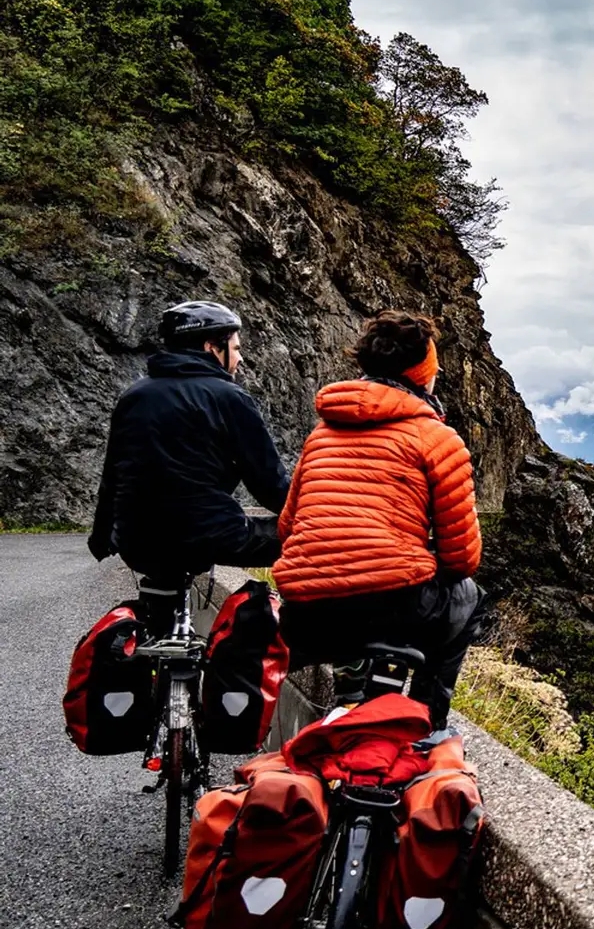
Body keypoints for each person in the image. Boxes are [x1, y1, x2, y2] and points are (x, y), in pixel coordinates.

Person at [273, 312, 481, 729]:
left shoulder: (321, 435)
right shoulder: (436, 439)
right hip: (393, 610)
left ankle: (352, 696)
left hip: (306, 619)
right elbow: (461, 558)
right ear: (422, 374)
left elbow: (287, 528)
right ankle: (426, 722)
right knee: (468, 597)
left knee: (353, 593)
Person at [90, 301, 291, 616]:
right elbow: (268, 482)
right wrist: (313, 521)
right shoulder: (229, 397)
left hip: (135, 538)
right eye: (235, 348)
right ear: (212, 347)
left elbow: (113, 476)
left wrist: (102, 537)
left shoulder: (134, 396)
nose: (240, 357)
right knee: (302, 541)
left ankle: (155, 628)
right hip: (208, 536)